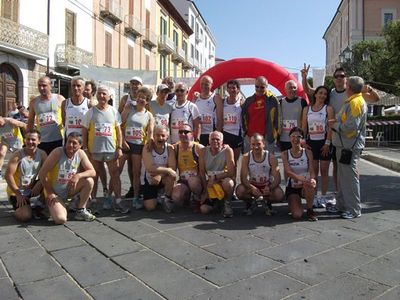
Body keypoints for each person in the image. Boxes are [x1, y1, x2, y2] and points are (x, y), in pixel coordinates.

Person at [301, 65, 379, 194]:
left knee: (349, 167)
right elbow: (309, 90)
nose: (339, 78)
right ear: (333, 79)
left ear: (346, 79)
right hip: (333, 135)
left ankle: (352, 193)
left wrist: (369, 89)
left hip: (350, 138)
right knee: (336, 168)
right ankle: (339, 195)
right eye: (336, 76)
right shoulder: (330, 93)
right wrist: (304, 77)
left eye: (342, 76)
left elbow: (376, 99)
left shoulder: (354, 93)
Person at [82, 85, 127, 213]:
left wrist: (119, 147)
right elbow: (84, 130)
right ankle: (94, 201)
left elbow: (118, 131)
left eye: (104, 94)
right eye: (100, 93)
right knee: (94, 176)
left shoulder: (113, 111)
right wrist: (85, 148)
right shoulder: (90, 112)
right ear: (97, 95)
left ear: (109, 97)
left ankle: (118, 200)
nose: (102, 96)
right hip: (94, 150)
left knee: (115, 175)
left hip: (111, 150)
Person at [328, 76, 367, 219]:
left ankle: (354, 209)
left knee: (349, 179)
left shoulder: (355, 102)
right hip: (344, 145)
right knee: (343, 178)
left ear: (349, 88)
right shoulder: (352, 101)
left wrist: (335, 125)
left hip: (349, 146)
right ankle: (342, 205)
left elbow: (352, 126)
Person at [38, 132, 96, 224]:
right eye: (68, 142)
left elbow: (92, 172)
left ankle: (81, 210)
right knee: (60, 219)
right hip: (54, 192)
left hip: (69, 189)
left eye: (74, 143)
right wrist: (50, 192)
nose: (70, 145)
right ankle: (53, 206)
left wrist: (78, 176)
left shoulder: (80, 153)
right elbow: (42, 173)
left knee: (89, 181)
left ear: (80, 146)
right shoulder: (58, 152)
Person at [121, 86, 154, 209]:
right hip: (125, 143)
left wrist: (149, 143)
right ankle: (112, 196)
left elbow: (150, 132)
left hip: (138, 145)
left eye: (143, 98)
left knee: (136, 172)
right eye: (139, 96)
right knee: (116, 170)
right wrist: (122, 141)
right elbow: (118, 124)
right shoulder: (129, 108)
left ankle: (135, 197)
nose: (140, 99)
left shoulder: (149, 115)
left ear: (147, 101)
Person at [235, 133, 284, 216]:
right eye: (253, 144)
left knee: (279, 195)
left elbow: (277, 178)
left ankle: (266, 201)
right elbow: (243, 178)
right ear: (250, 145)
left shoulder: (271, 157)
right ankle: (251, 201)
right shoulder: (246, 157)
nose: (256, 147)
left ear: (263, 144)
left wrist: (270, 187)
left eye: (258, 144)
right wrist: (251, 188)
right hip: (253, 185)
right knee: (239, 191)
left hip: (266, 185)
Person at [301, 86, 334, 207]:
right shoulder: (307, 109)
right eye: (320, 93)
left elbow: (331, 127)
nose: (322, 96)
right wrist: (303, 141)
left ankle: (324, 196)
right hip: (311, 143)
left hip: (324, 143)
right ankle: (314, 197)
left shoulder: (328, 108)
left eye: (325, 94)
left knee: (324, 171)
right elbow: (304, 127)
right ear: (315, 95)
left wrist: (327, 143)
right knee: (313, 172)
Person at [5, 130, 47, 222]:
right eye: (28, 139)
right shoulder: (17, 155)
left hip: (31, 187)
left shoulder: (42, 154)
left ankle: (40, 204)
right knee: (25, 216)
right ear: (24, 140)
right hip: (17, 191)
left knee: (49, 182)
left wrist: (39, 183)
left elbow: (47, 172)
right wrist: (18, 194)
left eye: (33, 139)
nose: (30, 142)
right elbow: (8, 175)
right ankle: (24, 208)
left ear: (39, 141)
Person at [281, 127, 318, 221]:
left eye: (298, 137)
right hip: (293, 186)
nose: (295, 139)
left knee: (311, 184)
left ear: (302, 139)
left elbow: (312, 171)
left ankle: (310, 209)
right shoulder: (285, 153)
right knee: (297, 215)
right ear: (289, 138)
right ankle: (295, 203)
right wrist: (301, 179)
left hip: (305, 184)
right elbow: (288, 172)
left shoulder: (308, 152)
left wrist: (312, 179)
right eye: (293, 136)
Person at [198, 131, 235, 217]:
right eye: (212, 139)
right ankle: (217, 205)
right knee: (204, 210)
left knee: (229, 183)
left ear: (222, 141)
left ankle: (227, 203)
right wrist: (205, 189)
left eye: (217, 139)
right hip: (210, 185)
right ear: (209, 141)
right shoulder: (203, 151)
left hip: (222, 181)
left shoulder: (228, 151)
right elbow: (202, 172)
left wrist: (215, 177)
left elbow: (231, 172)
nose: (215, 141)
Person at [141, 125, 176, 212]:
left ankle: (167, 198)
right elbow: (149, 168)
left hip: (162, 177)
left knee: (172, 175)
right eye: (158, 135)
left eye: (163, 135)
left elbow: (172, 167)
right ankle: (157, 195)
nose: (160, 138)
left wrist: (160, 174)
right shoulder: (147, 147)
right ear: (153, 136)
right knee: (150, 207)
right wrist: (167, 170)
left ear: (167, 137)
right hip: (150, 179)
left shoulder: (170, 148)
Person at [118, 76, 143, 198]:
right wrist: (120, 138)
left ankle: (137, 190)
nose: (134, 86)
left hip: (139, 139)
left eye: (137, 84)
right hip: (126, 138)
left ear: (140, 85)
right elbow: (118, 118)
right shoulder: (124, 99)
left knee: (136, 167)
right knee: (123, 166)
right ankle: (131, 189)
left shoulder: (144, 99)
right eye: (132, 83)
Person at [27, 76, 65, 155]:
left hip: (58, 139)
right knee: (43, 164)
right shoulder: (34, 102)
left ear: (50, 86)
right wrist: (28, 139)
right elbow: (30, 121)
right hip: (42, 140)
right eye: (39, 85)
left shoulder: (59, 98)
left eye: (44, 85)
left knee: (56, 165)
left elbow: (67, 116)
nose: (41, 88)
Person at [242, 76, 279, 153]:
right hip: (250, 138)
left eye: (262, 87)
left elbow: (278, 118)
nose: (259, 89)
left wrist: (275, 135)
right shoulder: (248, 100)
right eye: (257, 86)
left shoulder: (272, 100)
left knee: (268, 162)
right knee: (250, 162)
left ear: (266, 86)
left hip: (267, 138)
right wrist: (245, 134)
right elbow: (243, 118)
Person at [171, 124, 204, 211]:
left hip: (196, 180)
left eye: (186, 132)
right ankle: (187, 197)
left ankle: (198, 198)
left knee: (192, 181)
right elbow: (172, 169)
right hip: (183, 180)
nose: (183, 134)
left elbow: (204, 170)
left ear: (192, 134)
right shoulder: (175, 148)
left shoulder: (198, 148)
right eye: (180, 132)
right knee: (176, 197)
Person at [279, 80, 308, 151]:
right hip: (284, 138)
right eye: (290, 87)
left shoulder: (302, 101)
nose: (292, 89)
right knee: (285, 159)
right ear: (285, 90)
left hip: (297, 138)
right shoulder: (280, 102)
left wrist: (303, 137)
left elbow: (304, 122)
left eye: (294, 87)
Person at [194, 75, 223, 146]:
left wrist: (216, 136)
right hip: (198, 134)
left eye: (206, 84)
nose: (204, 86)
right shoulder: (195, 98)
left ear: (211, 85)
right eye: (202, 84)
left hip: (211, 134)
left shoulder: (216, 97)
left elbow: (220, 120)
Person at [222, 79, 244, 164]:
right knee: (225, 162)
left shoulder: (242, 102)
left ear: (238, 89)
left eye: (234, 88)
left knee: (234, 162)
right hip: (225, 134)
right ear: (227, 89)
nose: (231, 90)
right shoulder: (223, 101)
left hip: (237, 135)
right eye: (229, 88)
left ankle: (233, 177)